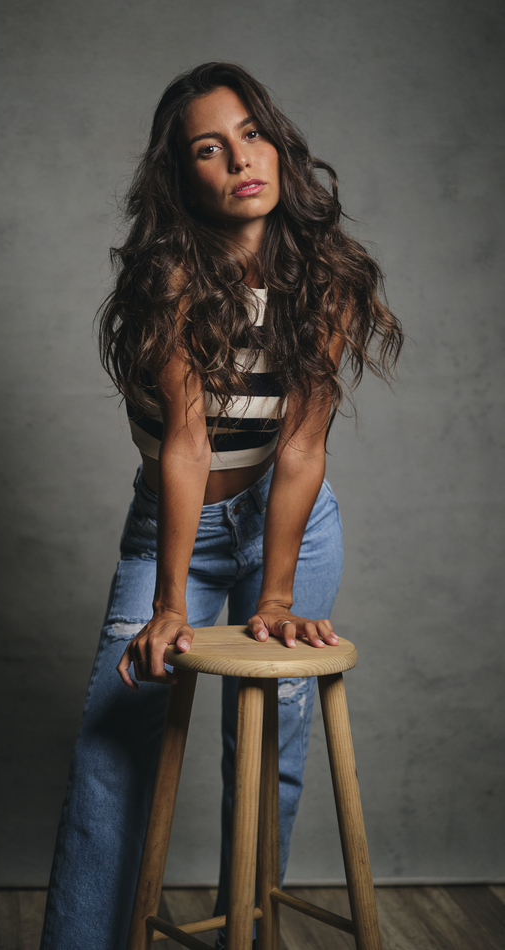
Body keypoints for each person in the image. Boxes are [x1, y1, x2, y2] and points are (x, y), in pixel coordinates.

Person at [40, 62, 402, 950]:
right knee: (114, 741)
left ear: (278, 146)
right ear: (183, 177)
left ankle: (249, 932)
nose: (241, 159)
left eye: (252, 134)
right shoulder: (171, 277)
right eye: (210, 148)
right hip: (180, 524)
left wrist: (277, 595)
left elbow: (303, 446)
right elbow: (187, 446)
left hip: (292, 522)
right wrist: (170, 604)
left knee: (273, 746)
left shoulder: (328, 277)